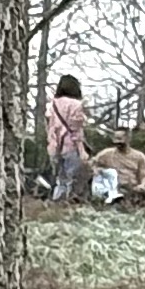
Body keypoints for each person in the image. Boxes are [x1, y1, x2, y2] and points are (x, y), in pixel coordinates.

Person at [46, 72, 92, 202]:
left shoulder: (53, 104)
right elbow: (76, 131)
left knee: (60, 178)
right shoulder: (76, 105)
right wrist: (82, 150)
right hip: (70, 146)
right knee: (72, 179)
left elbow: (50, 126)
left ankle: (56, 203)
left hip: (55, 146)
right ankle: (68, 204)